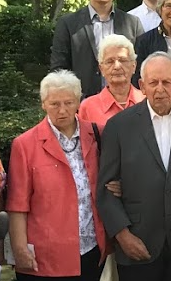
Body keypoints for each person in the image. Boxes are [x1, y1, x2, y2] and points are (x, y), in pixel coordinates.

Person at [97, 53, 171, 281]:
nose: (160, 89)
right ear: (142, 85)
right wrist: (122, 235)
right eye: (153, 83)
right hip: (137, 242)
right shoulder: (118, 127)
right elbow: (105, 190)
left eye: (167, 82)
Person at [7, 71, 109, 280]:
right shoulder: (25, 145)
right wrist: (20, 248)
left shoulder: (98, 134)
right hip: (46, 256)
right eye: (54, 104)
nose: (62, 110)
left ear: (78, 101)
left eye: (68, 102)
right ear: (43, 103)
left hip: (91, 248)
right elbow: (17, 204)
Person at [50, 0, 143, 99]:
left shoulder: (132, 24)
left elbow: (141, 67)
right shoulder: (68, 24)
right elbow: (59, 71)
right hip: (83, 107)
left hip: (125, 108)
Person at [78, 35, 146, 129]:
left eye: (122, 60)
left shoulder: (146, 101)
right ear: (101, 69)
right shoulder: (88, 107)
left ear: (134, 66)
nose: (117, 66)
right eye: (110, 62)